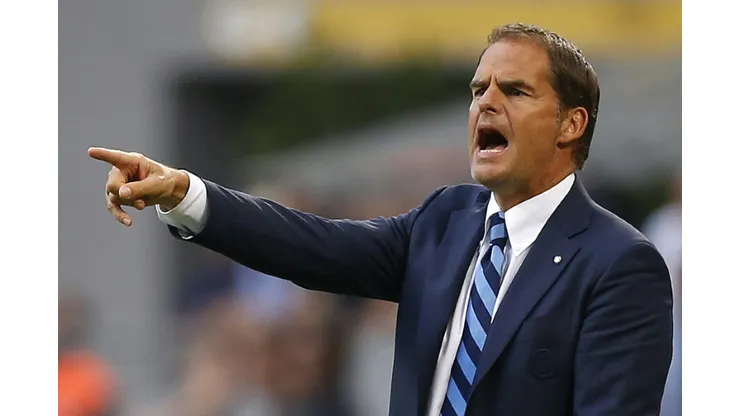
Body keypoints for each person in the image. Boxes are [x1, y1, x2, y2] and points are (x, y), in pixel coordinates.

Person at [89, 23, 673, 416]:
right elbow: (310, 244)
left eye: (515, 91)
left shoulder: (619, 264)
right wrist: (185, 193)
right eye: (478, 90)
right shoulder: (445, 220)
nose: (486, 103)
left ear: (571, 124)